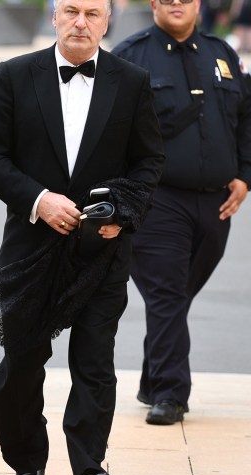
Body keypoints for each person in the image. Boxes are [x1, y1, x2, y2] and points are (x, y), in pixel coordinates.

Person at [0, 0, 164, 475]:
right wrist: (39, 199)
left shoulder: (132, 81)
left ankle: (89, 466)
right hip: (32, 246)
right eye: (72, 11)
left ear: (107, 20)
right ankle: (27, 463)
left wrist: (120, 212)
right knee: (21, 365)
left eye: (93, 14)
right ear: (54, 16)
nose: (81, 22)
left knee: (95, 364)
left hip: (103, 247)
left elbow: (149, 161)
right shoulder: (14, 74)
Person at [112, 0, 251, 426]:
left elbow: (245, 118)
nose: (176, 3)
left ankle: (153, 380)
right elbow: (111, 131)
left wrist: (245, 175)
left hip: (216, 204)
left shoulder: (222, 53)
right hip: (158, 201)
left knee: (173, 298)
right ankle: (171, 394)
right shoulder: (129, 55)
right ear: (154, 2)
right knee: (167, 294)